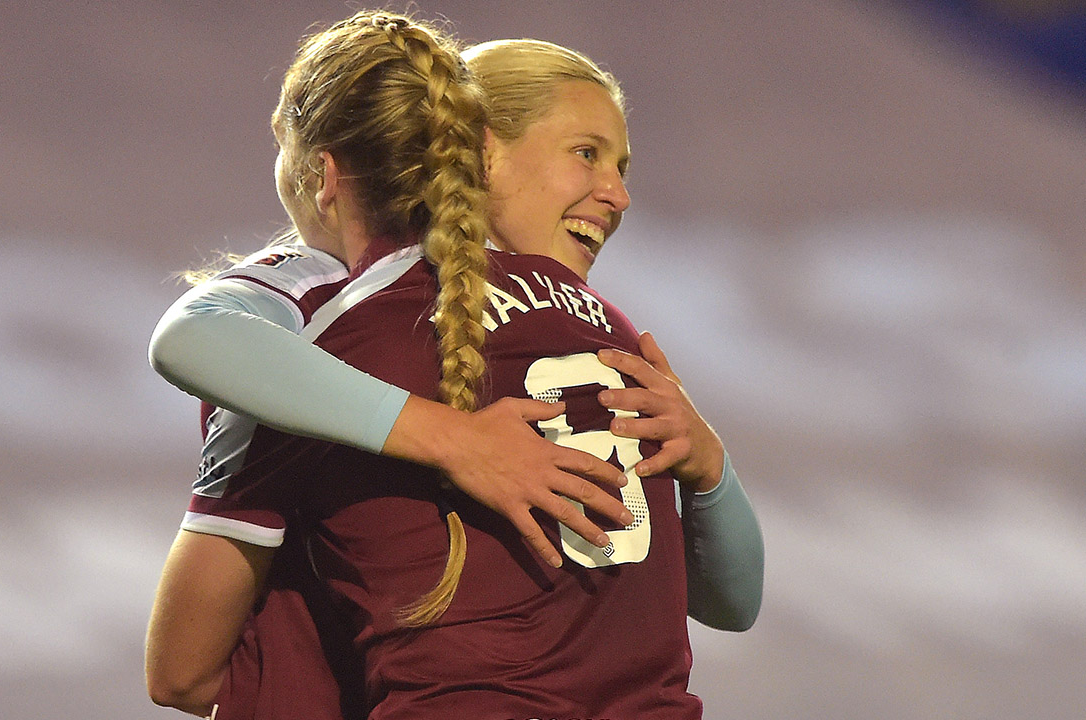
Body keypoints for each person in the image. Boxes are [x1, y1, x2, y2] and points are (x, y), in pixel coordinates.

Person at [145, 13, 763, 719]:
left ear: (323, 175)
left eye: (618, 166)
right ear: (480, 151)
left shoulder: (317, 339)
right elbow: (732, 603)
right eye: (586, 154)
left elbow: (183, 675)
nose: (617, 194)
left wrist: (451, 440)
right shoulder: (615, 338)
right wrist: (712, 469)